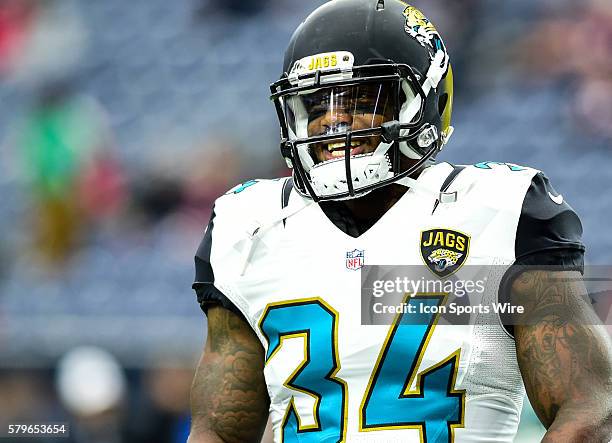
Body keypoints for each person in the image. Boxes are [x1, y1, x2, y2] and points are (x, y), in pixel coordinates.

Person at [188, 1, 612, 442]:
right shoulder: (250, 225)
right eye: (315, 105)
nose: (334, 119)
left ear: (423, 101)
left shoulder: (499, 209)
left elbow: (588, 411)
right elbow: (217, 431)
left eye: (360, 99)